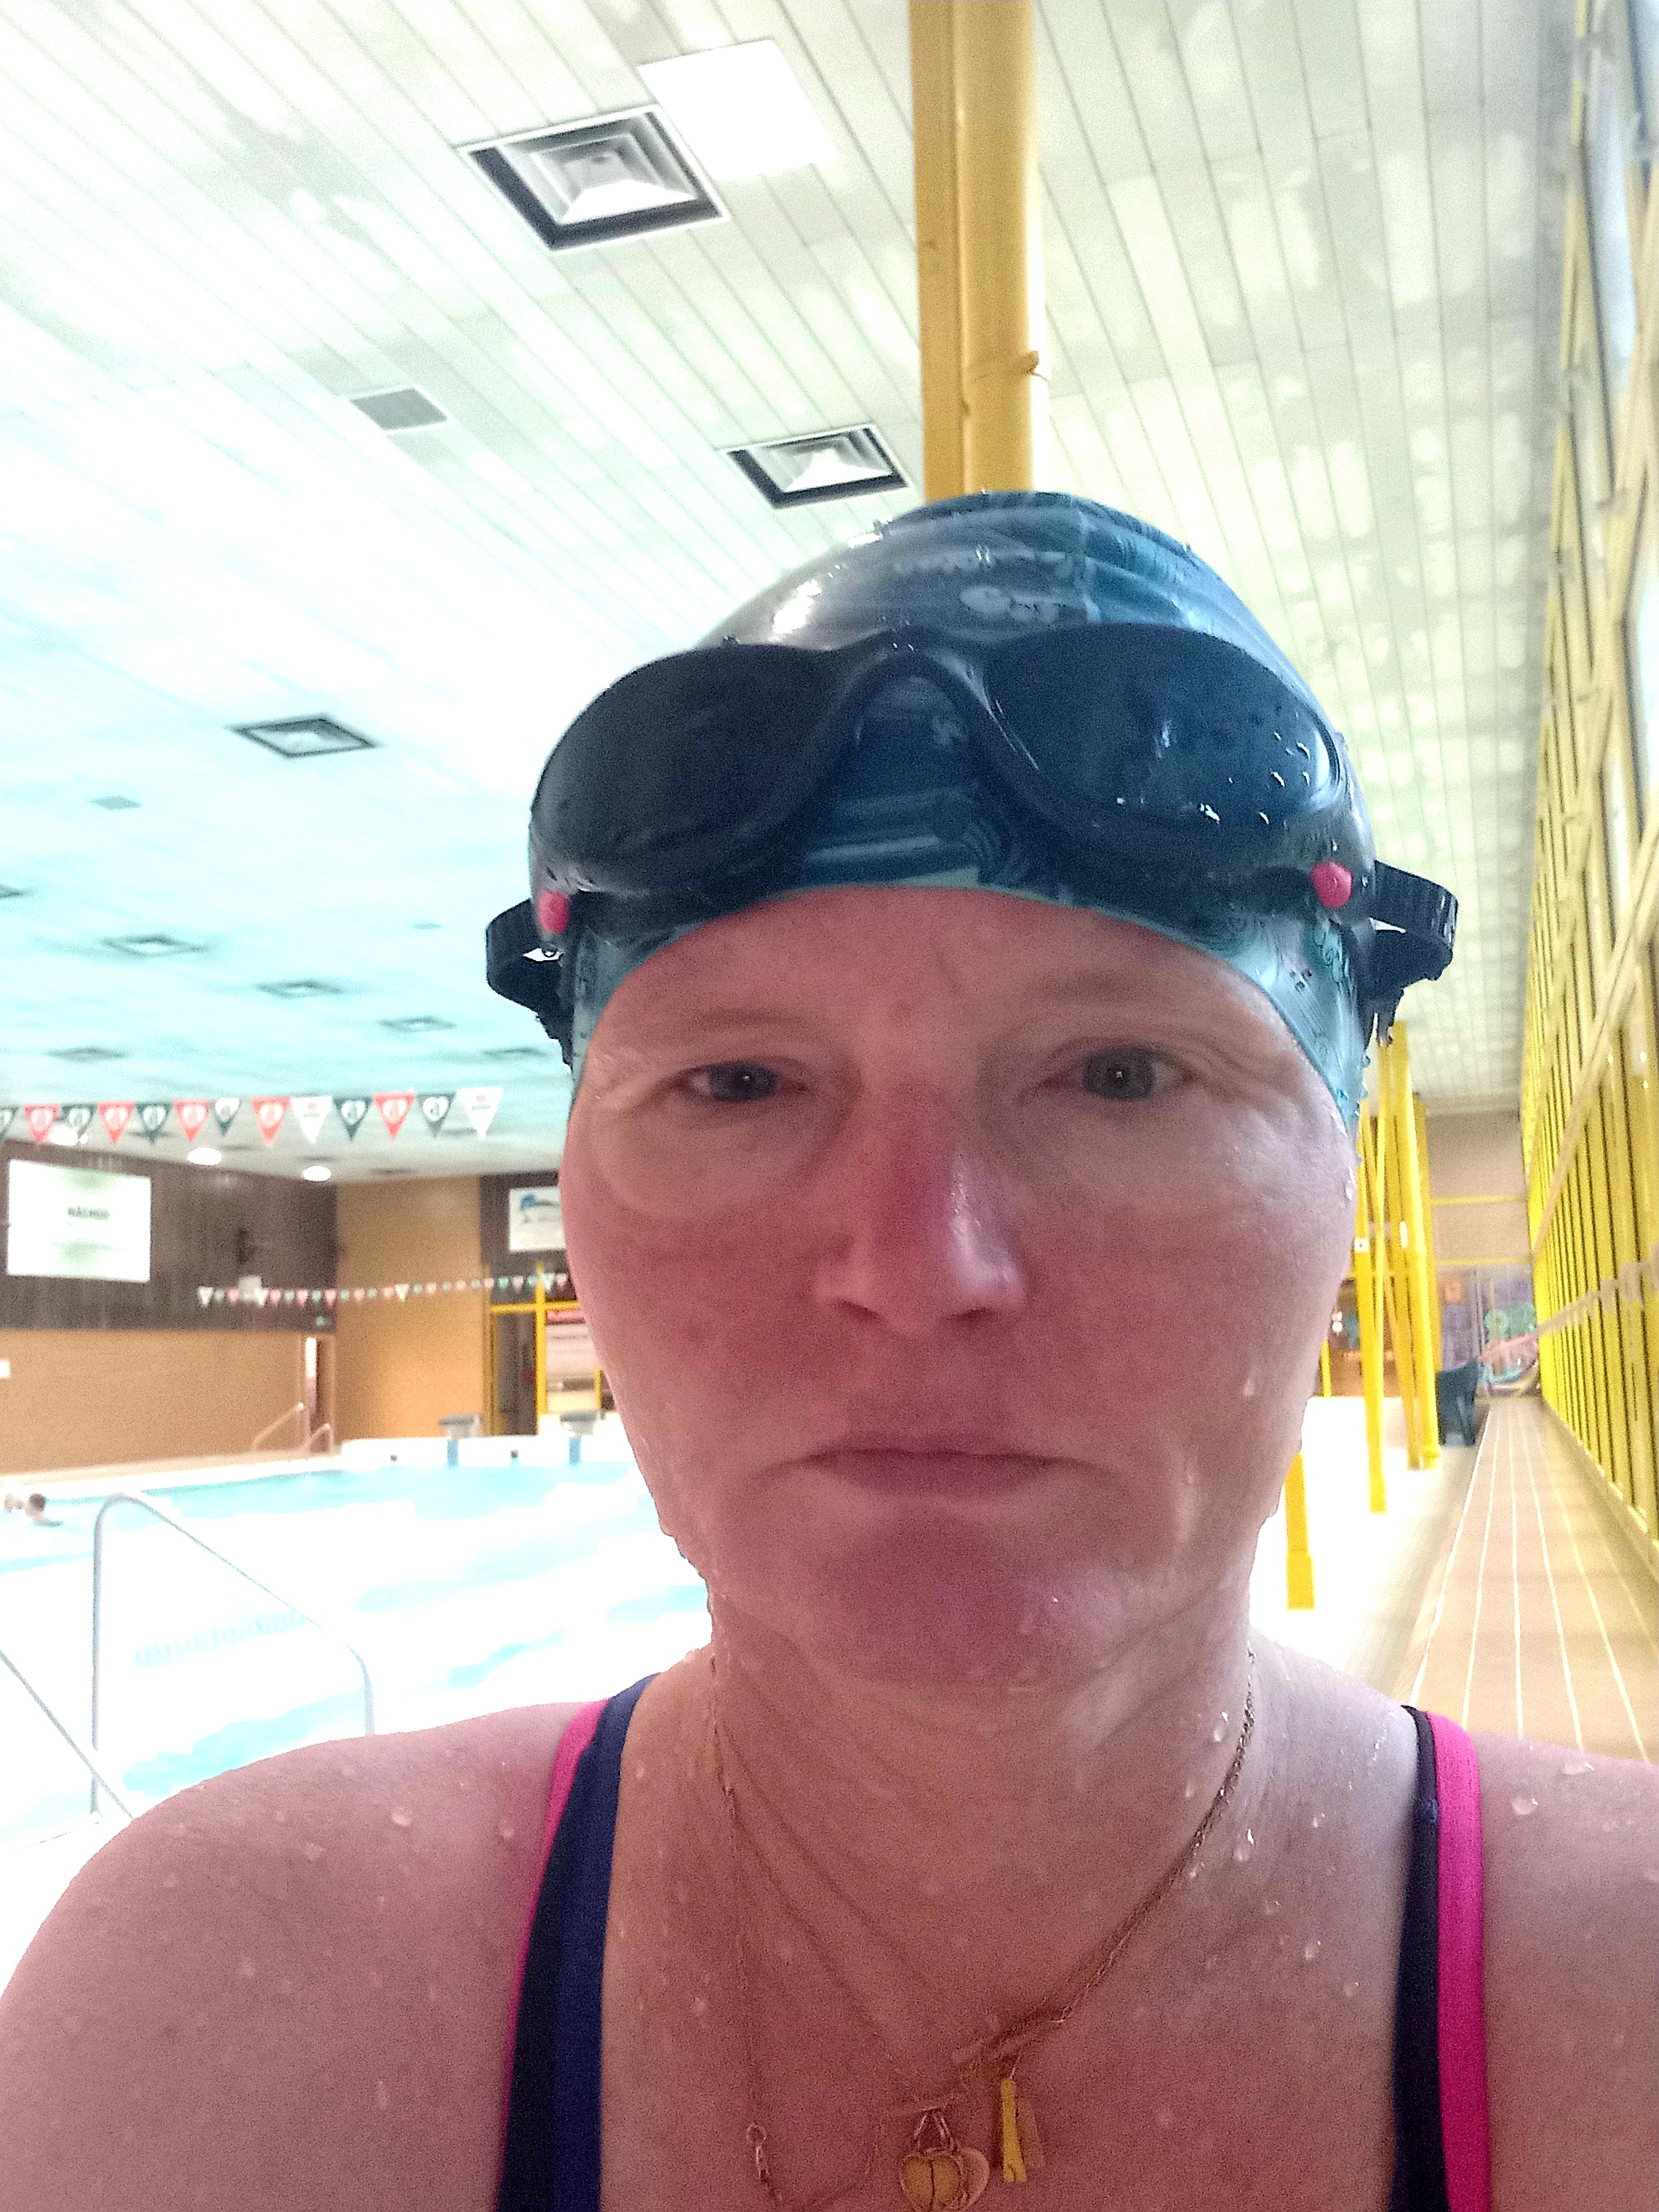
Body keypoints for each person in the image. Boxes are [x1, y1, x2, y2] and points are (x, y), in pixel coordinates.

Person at [3, 494, 1655, 2212]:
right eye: (738, 1083)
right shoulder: (212, 2025)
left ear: (1343, 1176)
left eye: (1119, 1076)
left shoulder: (1625, 2000)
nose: (918, 1270)